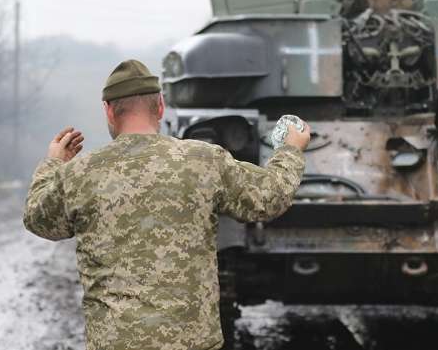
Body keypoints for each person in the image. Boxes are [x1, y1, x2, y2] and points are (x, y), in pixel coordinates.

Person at [24, 59, 310, 350]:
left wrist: (54, 164)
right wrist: (290, 150)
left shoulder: (80, 173)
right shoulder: (203, 161)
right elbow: (269, 198)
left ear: (109, 111)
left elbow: (38, 218)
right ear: (160, 106)